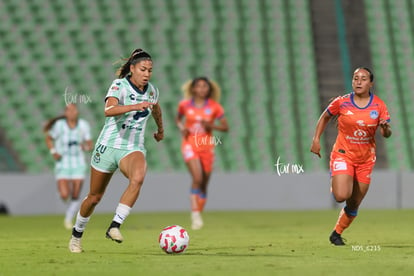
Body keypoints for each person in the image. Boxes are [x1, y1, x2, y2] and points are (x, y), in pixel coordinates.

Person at [68, 48, 164, 253]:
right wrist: (133, 106)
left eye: (150, 70)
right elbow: (108, 110)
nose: (147, 74)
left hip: (132, 148)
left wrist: (160, 130)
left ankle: (114, 226)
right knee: (94, 197)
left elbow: (156, 108)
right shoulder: (119, 86)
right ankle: (76, 235)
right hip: (108, 146)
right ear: (132, 68)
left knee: (138, 177)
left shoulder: (152, 90)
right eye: (143, 69)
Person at [310, 67, 392, 245]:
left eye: (363, 79)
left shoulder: (379, 105)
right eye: (356, 78)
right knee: (341, 196)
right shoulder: (342, 102)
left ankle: (336, 234)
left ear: (371, 83)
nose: (359, 82)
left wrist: (385, 128)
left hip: (366, 160)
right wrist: (316, 139)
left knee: (354, 203)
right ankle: (337, 180)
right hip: (343, 154)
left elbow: (387, 134)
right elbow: (324, 117)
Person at [175, 77, 229, 230]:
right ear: (193, 89)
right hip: (189, 144)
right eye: (198, 86)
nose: (202, 89)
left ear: (209, 89)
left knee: (204, 184)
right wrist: (181, 127)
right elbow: (178, 119)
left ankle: (199, 211)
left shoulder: (215, 107)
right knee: (197, 178)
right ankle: (195, 214)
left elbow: (225, 127)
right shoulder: (184, 105)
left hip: (206, 147)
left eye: (205, 86)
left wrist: (211, 125)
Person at [44, 104, 92, 229]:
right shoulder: (59, 125)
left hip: (78, 163)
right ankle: (63, 196)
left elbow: (89, 144)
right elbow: (49, 138)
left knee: (76, 194)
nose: (72, 112)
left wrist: (85, 147)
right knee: (65, 195)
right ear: (65, 113)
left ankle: (68, 219)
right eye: (69, 110)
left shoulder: (83, 125)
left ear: (77, 112)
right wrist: (54, 152)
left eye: (74, 110)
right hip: (63, 162)